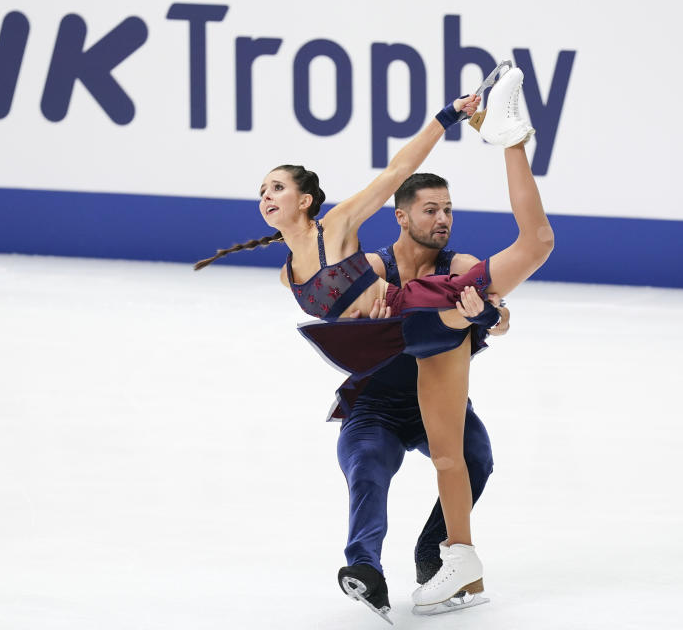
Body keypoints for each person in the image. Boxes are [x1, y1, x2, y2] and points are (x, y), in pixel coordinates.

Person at [195, 65, 553, 614]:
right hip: (396, 357)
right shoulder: (288, 273)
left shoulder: (334, 229)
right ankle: (394, 564)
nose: (266, 196)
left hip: (422, 314)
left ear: (306, 200)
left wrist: (448, 116)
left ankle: (508, 137)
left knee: (533, 247)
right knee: (395, 461)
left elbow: (399, 168)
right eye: (261, 190)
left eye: (277, 187)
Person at [334, 171, 509, 618]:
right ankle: (365, 568)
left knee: (476, 458)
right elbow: (331, 306)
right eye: (431, 210)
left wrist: (488, 314)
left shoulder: (458, 265)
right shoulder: (375, 268)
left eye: (448, 209)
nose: (443, 218)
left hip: (441, 401)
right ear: (401, 216)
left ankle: (433, 552)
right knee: (368, 465)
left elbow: (502, 315)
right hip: (378, 405)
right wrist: (357, 323)